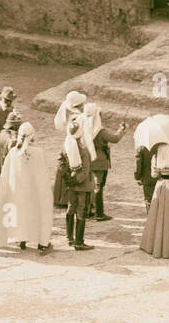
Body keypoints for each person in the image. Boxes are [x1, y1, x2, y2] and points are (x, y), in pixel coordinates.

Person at [0, 122, 51, 252]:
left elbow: (5, 172)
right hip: (33, 191)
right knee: (37, 213)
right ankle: (42, 243)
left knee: (21, 213)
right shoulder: (38, 152)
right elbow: (42, 173)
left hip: (18, 191)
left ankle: (21, 240)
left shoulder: (13, 152)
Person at [56, 116, 95, 251]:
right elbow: (85, 171)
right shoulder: (83, 150)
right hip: (83, 187)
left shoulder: (66, 146)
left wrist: (69, 180)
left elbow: (61, 165)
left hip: (71, 186)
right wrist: (77, 180)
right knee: (81, 212)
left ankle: (69, 238)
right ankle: (79, 241)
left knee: (70, 209)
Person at [51, 90, 86, 209]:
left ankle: (60, 196)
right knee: (75, 165)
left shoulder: (67, 112)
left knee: (64, 166)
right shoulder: (78, 117)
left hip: (67, 142)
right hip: (75, 142)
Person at [88, 116, 127, 222]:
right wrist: (121, 129)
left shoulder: (86, 127)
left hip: (89, 159)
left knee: (91, 185)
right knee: (98, 187)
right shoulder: (101, 132)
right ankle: (99, 213)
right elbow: (115, 139)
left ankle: (88, 211)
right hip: (100, 161)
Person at [134, 146, 156, 211]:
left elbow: (138, 164)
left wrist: (137, 177)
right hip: (160, 178)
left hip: (147, 178)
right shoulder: (161, 146)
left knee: (149, 200)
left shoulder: (141, 148)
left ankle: (150, 218)